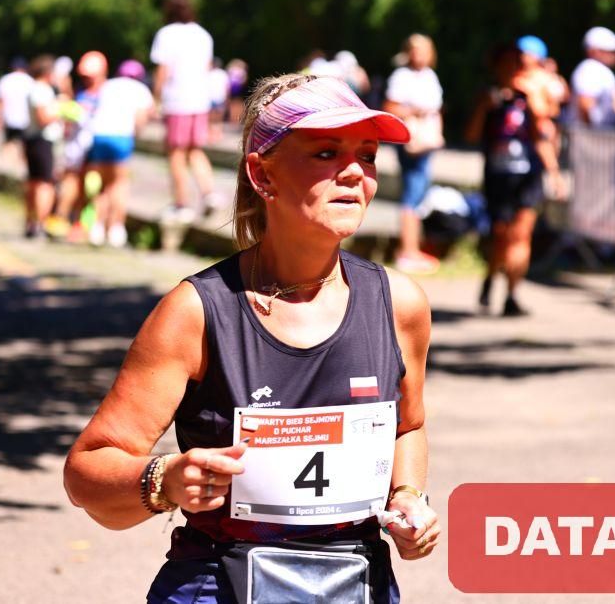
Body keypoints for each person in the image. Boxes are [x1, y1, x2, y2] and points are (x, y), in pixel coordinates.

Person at [63, 73, 439, 603]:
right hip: (217, 585)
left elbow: (408, 426)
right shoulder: (197, 311)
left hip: (357, 584)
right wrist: (165, 479)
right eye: (326, 153)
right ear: (262, 174)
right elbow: (88, 471)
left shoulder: (400, 304)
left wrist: (408, 496)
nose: (355, 172)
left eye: (368, 156)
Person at [467, 43, 563, 316]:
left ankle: (511, 294)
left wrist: (554, 172)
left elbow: (542, 134)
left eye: (516, 64)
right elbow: (472, 135)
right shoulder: (488, 96)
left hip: (528, 176)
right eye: (506, 64)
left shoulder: (528, 96)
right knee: (501, 237)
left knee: (521, 235)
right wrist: (483, 109)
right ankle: (490, 277)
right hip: (498, 177)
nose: (511, 69)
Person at [151, 0, 221, 222]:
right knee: (195, 150)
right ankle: (209, 193)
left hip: (177, 100)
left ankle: (181, 204)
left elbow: (163, 70)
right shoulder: (203, 35)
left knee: (176, 153)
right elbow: (207, 69)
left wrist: (156, 98)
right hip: (199, 100)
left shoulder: (166, 34)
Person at [383, 34, 445, 274]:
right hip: (411, 141)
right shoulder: (401, 76)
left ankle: (413, 248)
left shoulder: (429, 76)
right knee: (412, 193)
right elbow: (390, 107)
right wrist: (415, 111)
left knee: (419, 194)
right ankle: (407, 251)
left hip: (426, 140)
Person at [85, 59, 155, 248]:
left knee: (101, 185)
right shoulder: (141, 90)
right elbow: (140, 119)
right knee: (119, 183)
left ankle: (97, 227)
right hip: (121, 137)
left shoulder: (107, 85)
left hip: (99, 135)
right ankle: (116, 228)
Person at [47, 50, 107, 241]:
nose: (87, 79)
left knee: (92, 187)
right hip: (77, 147)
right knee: (72, 181)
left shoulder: (106, 93)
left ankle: (87, 226)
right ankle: (63, 220)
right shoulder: (82, 93)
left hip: (94, 147)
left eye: (90, 76)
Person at [22, 55, 63, 239]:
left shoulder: (34, 88)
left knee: (33, 183)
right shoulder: (42, 90)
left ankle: (31, 223)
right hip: (43, 140)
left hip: (33, 139)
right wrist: (62, 110)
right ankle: (40, 223)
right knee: (44, 184)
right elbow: (43, 118)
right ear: (48, 72)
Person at [571, 26, 615, 127]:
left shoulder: (595, 69)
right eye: (610, 50)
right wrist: (592, 132)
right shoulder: (591, 69)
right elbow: (585, 104)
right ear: (594, 51)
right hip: (590, 135)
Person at [0, 57, 33, 165]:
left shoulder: (5, 79)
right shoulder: (29, 81)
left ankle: (6, 166)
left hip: (9, 118)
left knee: (8, 143)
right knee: (24, 146)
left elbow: (1, 102)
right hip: (26, 119)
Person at [207, 57, 230, 142]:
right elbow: (227, 87)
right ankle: (218, 134)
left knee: (211, 118)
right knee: (219, 118)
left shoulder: (209, 73)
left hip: (211, 97)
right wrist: (227, 98)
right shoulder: (223, 74)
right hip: (221, 97)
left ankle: (211, 134)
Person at [226, 59, 249, 125]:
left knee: (232, 105)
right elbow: (244, 80)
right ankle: (236, 119)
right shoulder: (242, 71)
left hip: (232, 89)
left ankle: (233, 119)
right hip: (238, 89)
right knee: (238, 104)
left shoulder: (231, 70)